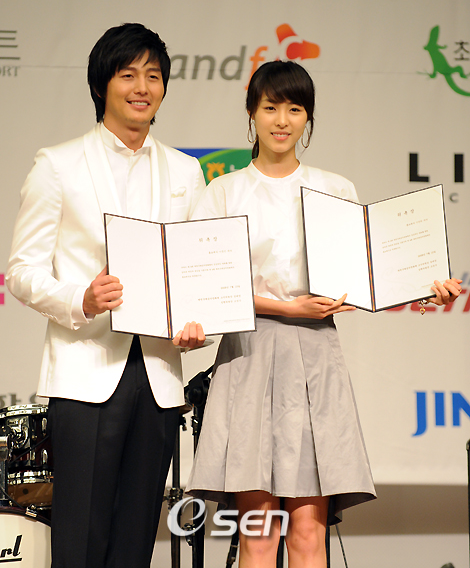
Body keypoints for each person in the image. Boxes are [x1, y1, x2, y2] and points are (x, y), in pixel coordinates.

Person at [185, 60, 462, 568]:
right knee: (259, 534)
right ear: (251, 113)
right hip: (248, 354)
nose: (282, 120)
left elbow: (366, 278)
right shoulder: (223, 192)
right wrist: (286, 306)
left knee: (309, 534)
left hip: (315, 357)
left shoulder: (335, 189)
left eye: (295, 109)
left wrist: (425, 288)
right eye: (271, 107)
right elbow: (207, 284)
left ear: (308, 118)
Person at [6, 23, 206, 568]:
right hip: (86, 369)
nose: (142, 87)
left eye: (153, 76)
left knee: (135, 540)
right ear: (101, 85)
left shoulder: (187, 171)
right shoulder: (58, 164)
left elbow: (196, 269)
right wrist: (82, 299)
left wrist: (198, 321)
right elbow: (21, 271)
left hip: (159, 374)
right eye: (128, 75)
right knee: (80, 538)